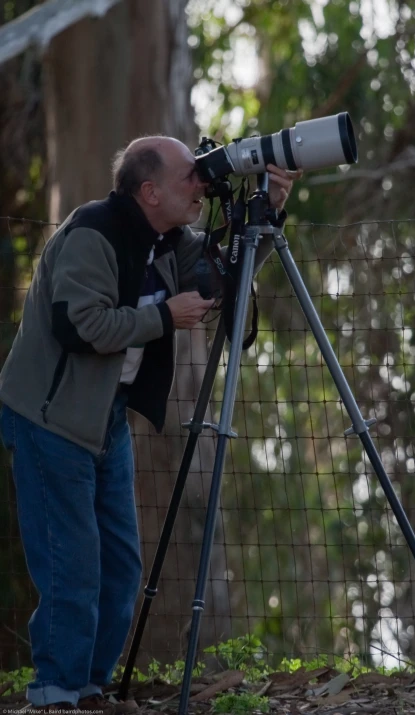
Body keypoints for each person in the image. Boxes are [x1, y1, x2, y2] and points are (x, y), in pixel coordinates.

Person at [0, 136, 299, 714]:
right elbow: (76, 327)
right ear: (149, 190)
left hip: (103, 419)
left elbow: (218, 282)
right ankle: (55, 695)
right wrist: (162, 316)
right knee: (74, 566)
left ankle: (87, 690)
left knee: (121, 565)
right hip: (49, 419)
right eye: (190, 176)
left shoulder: (168, 239)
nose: (201, 184)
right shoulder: (93, 232)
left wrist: (267, 216)